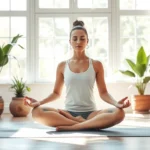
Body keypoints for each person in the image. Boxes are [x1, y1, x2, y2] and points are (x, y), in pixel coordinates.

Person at [24, 20, 130, 131]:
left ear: (87, 41)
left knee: (119, 113)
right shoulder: (62, 66)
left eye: (82, 38)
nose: (78, 41)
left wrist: (116, 103)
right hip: (67, 113)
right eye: (75, 39)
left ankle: (73, 127)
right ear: (70, 42)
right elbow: (56, 93)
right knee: (36, 112)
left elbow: (103, 93)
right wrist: (39, 102)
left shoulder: (96, 65)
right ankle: (83, 124)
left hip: (91, 114)